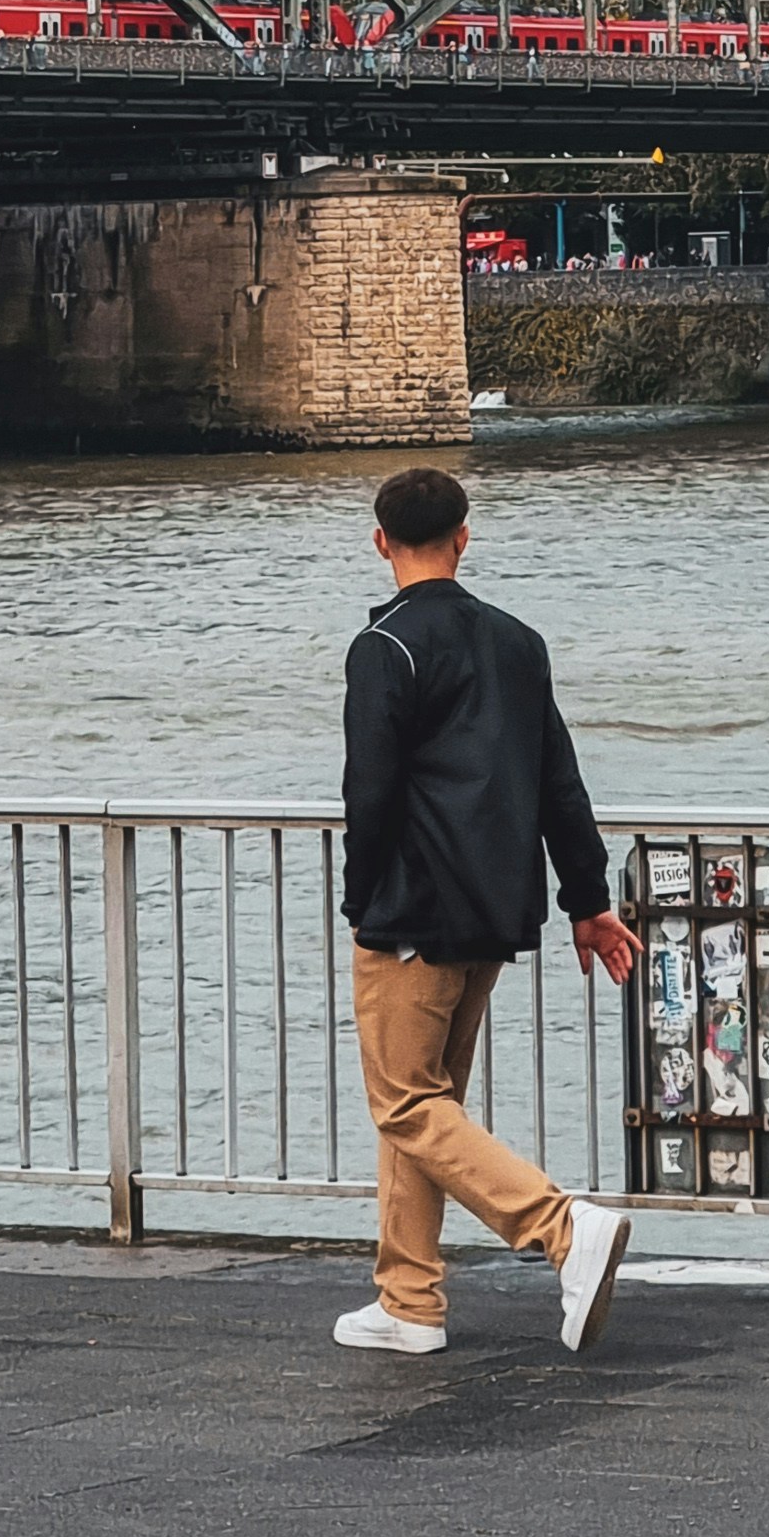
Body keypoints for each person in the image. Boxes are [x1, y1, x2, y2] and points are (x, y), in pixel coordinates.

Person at [334, 466, 638, 1363]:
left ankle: (560, 1228)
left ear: (381, 541)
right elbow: (559, 783)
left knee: (405, 1103)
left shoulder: (384, 648)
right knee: (427, 1101)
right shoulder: (517, 641)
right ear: (465, 537)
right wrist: (588, 902)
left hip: (412, 915)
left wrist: (362, 903)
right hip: (495, 911)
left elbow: (371, 795)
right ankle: (410, 1301)